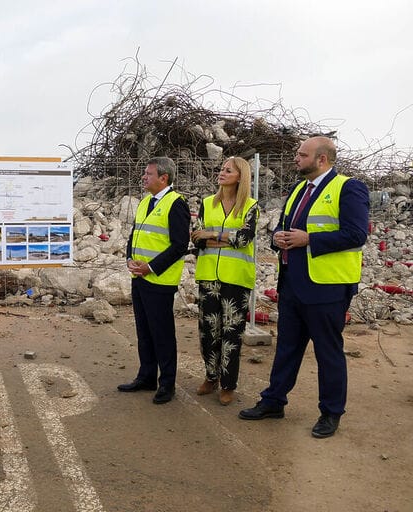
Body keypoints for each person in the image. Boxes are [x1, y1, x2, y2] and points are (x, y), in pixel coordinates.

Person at [239, 136, 369, 438]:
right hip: (293, 284)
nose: (296, 158)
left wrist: (309, 239)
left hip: (328, 287)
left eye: (302, 154)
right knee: (286, 347)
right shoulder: (299, 189)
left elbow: (356, 234)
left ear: (321, 159)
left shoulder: (348, 188)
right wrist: (279, 239)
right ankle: (273, 401)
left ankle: (331, 412)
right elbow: (286, 228)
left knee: (328, 351)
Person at [118, 157, 190, 404]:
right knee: (144, 331)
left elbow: (180, 245)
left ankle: (167, 384)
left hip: (159, 280)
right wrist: (129, 258)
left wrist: (151, 267)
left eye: (148, 174)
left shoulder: (176, 203)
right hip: (139, 277)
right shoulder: (145, 202)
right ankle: (146, 376)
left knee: (162, 334)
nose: (143, 177)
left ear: (164, 178)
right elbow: (134, 235)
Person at [190, 157, 259, 406]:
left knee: (231, 334)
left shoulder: (251, 206)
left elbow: (243, 238)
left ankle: (228, 384)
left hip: (237, 279)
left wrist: (212, 234)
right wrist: (217, 237)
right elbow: (196, 238)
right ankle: (211, 377)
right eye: (221, 169)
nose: (222, 173)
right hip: (209, 276)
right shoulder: (208, 203)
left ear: (240, 176)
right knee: (209, 332)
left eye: (228, 170)